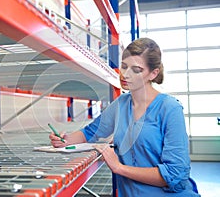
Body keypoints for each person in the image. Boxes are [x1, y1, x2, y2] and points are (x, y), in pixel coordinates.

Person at [49, 38, 200, 196]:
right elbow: (90, 132)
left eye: (136, 70)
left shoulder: (170, 109)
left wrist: (119, 167)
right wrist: (65, 140)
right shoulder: (120, 104)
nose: (125, 74)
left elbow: (175, 174)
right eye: (124, 66)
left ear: (153, 73)